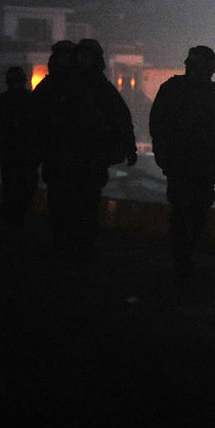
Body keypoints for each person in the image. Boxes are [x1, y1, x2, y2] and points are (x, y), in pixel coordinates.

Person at [31, 39, 137, 261]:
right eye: (80, 56)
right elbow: (33, 119)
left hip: (88, 161)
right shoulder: (57, 86)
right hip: (62, 160)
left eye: (87, 56)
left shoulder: (99, 88)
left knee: (85, 208)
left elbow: (121, 118)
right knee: (62, 207)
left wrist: (128, 148)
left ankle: (80, 248)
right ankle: (67, 247)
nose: (82, 60)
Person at [149, 45, 215, 275]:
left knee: (196, 212)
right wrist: (165, 152)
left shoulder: (213, 95)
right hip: (181, 162)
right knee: (182, 210)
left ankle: (184, 254)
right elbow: (158, 124)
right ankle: (182, 256)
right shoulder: (173, 89)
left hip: (200, 163)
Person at [0, 66, 38, 230]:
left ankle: (12, 219)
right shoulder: (32, 100)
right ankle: (18, 218)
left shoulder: (1, 101)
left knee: (11, 186)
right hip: (24, 152)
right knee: (23, 187)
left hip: (12, 152)